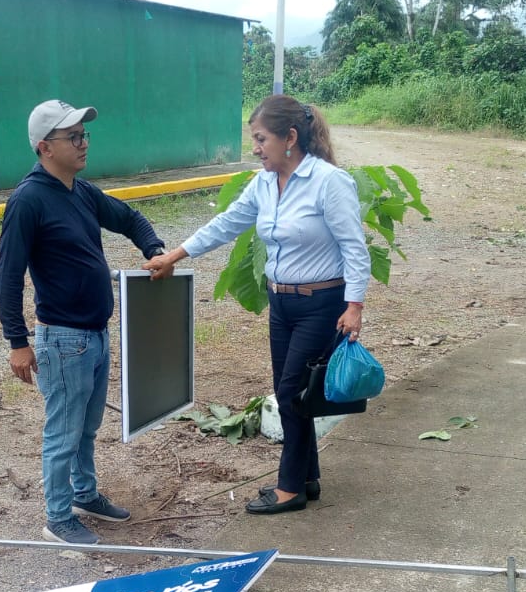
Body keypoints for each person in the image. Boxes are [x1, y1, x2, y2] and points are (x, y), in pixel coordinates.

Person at [144, 95, 369, 515]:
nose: (255, 148)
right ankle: (307, 478)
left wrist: (354, 305)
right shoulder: (264, 184)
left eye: (262, 139)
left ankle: (289, 489)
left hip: (322, 303)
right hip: (281, 303)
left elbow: (354, 247)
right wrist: (175, 255)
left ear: (290, 138)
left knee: (290, 393)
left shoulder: (328, 182)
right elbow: (227, 222)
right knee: (294, 391)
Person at [0, 99, 167, 546]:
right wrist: (17, 341)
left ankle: (84, 495)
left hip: (95, 335)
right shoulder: (28, 200)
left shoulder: (81, 192)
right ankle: (58, 517)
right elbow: (8, 276)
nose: (83, 143)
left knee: (86, 428)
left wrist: (154, 250)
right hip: (63, 339)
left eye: (83, 134)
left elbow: (128, 218)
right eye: (73, 136)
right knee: (63, 433)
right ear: (44, 147)